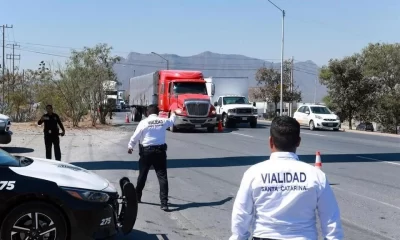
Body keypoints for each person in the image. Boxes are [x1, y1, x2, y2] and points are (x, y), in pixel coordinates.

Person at [229, 116, 344, 240]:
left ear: (270, 141)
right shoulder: (316, 176)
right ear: (298, 141)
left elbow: (241, 215)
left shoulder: (253, 173)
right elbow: (330, 219)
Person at [127, 104, 177, 211]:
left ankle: (137, 197)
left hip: (147, 152)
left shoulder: (144, 122)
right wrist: (173, 113)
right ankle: (164, 203)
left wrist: (131, 146)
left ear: (147, 113)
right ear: (158, 113)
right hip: (160, 152)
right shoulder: (163, 121)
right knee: (162, 177)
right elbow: (172, 121)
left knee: (142, 175)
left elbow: (136, 135)